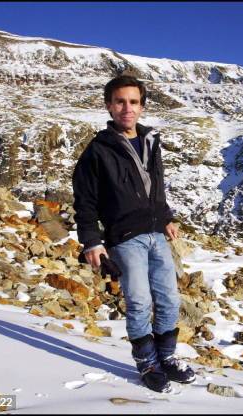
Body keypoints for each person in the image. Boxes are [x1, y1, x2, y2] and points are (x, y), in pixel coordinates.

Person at [72, 75, 195, 393]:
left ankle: (166, 357)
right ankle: (147, 363)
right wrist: (92, 241)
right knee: (139, 301)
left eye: (133, 102)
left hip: (156, 232)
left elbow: (156, 186)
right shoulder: (97, 151)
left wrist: (165, 217)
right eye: (120, 101)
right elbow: (84, 200)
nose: (127, 108)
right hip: (125, 238)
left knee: (169, 298)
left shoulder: (151, 141)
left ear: (142, 106)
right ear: (109, 106)